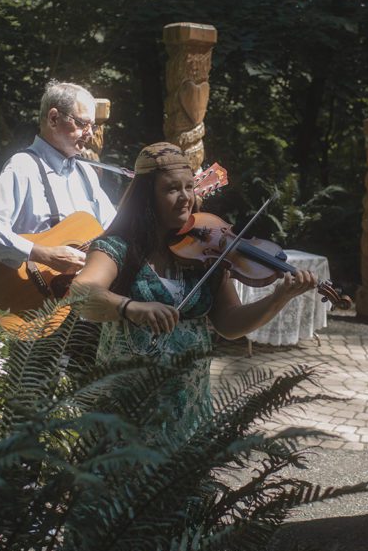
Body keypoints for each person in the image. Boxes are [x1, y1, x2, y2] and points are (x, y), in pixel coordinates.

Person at [70, 142, 317, 421]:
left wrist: (278, 298)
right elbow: (82, 292)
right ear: (146, 196)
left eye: (190, 187)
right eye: (172, 189)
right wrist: (131, 307)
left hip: (188, 408)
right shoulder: (119, 247)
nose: (185, 197)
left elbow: (230, 324)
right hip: (126, 409)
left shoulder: (206, 253)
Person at [0, 81, 117, 272]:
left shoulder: (86, 174)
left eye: (92, 127)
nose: (90, 134)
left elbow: (115, 227)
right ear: (53, 119)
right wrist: (43, 254)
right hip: (32, 295)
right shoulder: (23, 167)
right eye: (82, 124)